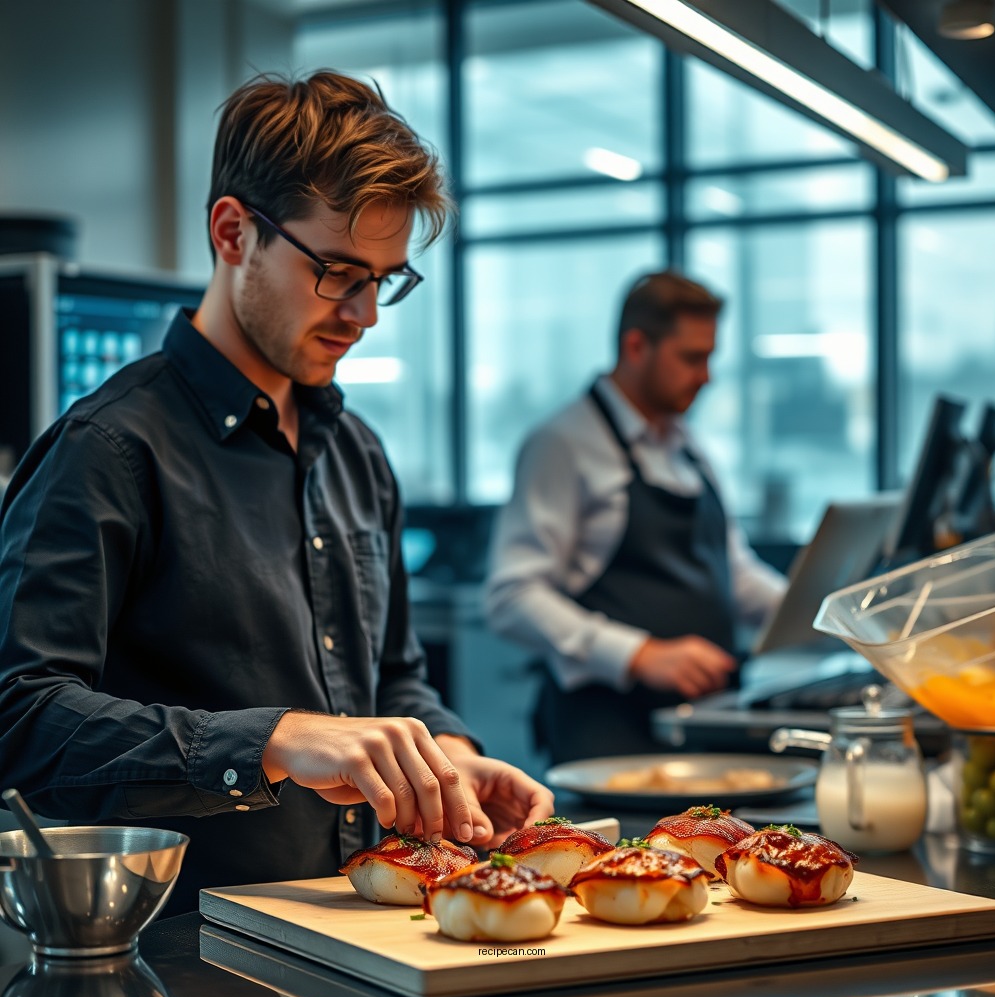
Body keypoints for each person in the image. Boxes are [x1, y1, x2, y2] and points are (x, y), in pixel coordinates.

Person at [0, 71, 552, 915]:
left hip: (358, 947)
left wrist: (443, 754)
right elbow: (22, 720)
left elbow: (394, 675)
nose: (364, 314)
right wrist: (272, 742)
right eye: (338, 272)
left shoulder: (356, 452)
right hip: (182, 962)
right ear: (233, 233)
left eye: (385, 280)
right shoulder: (107, 448)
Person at [485, 270, 787, 764]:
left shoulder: (688, 447)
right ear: (636, 346)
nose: (706, 376)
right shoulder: (562, 444)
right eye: (692, 358)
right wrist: (640, 655)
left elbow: (734, 575)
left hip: (700, 729)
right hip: (608, 738)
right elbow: (512, 596)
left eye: (710, 358)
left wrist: (821, 614)